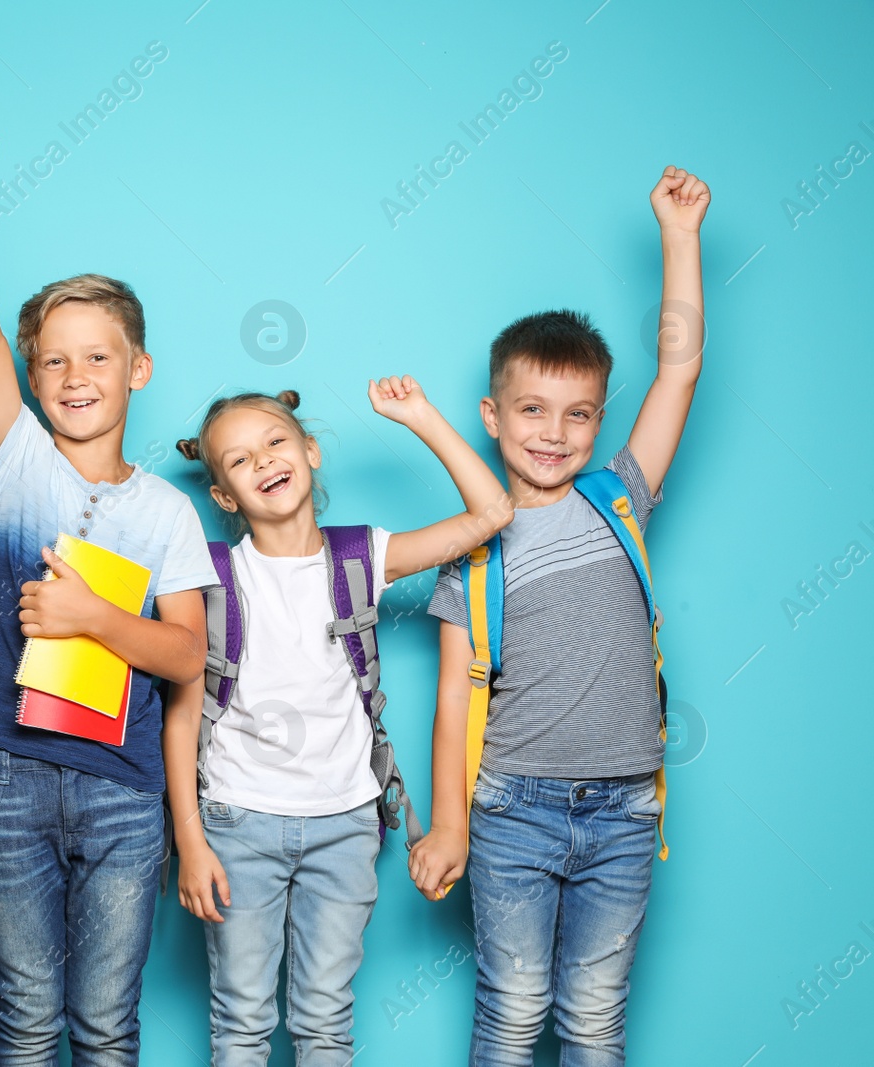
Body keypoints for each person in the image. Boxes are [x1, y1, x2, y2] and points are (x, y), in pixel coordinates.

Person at [0, 120, 218, 1065]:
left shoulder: (169, 512)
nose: (74, 376)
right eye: (53, 359)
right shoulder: (19, 466)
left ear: (137, 370)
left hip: (125, 790)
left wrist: (94, 617)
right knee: (23, 1019)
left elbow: (188, 658)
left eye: (97, 357)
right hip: (9, 776)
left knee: (103, 1024)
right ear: (31, 378)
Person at [409, 166, 711, 1066]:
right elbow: (456, 701)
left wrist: (679, 235)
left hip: (625, 811)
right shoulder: (473, 550)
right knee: (512, 1014)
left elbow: (682, 365)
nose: (554, 432)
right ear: (491, 416)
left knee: (592, 1020)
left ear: (599, 421)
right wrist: (449, 822)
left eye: (578, 414)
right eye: (532, 411)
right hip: (512, 810)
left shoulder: (621, 498)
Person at [166, 381, 512, 1065]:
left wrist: (420, 416)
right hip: (236, 821)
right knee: (241, 1021)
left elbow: (492, 511)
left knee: (325, 1020)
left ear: (310, 450)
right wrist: (190, 840)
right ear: (224, 497)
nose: (263, 460)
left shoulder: (361, 555)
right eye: (238, 460)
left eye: (274, 441)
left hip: (346, 824)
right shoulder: (208, 574)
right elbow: (179, 718)